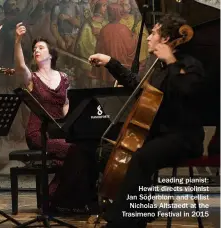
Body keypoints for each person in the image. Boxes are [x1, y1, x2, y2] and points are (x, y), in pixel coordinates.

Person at [89, 13, 206, 227]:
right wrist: (111, 63)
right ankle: (136, 215)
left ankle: (121, 222)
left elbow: (187, 92)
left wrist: (171, 61)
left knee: (141, 158)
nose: (149, 37)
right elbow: (138, 87)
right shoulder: (159, 69)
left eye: (153, 32)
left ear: (166, 39)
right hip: (163, 135)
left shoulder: (189, 65)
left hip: (184, 138)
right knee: (106, 151)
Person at [14, 22, 99, 214]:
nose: (36, 50)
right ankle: (53, 198)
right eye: (35, 48)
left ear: (51, 54)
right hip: (39, 133)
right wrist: (18, 40)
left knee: (79, 154)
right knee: (75, 152)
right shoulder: (32, 78)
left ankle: (66, 201)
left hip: (58, 131)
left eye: (41, 48)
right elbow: (20, 65)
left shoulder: (63, 77)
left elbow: (66, 107)